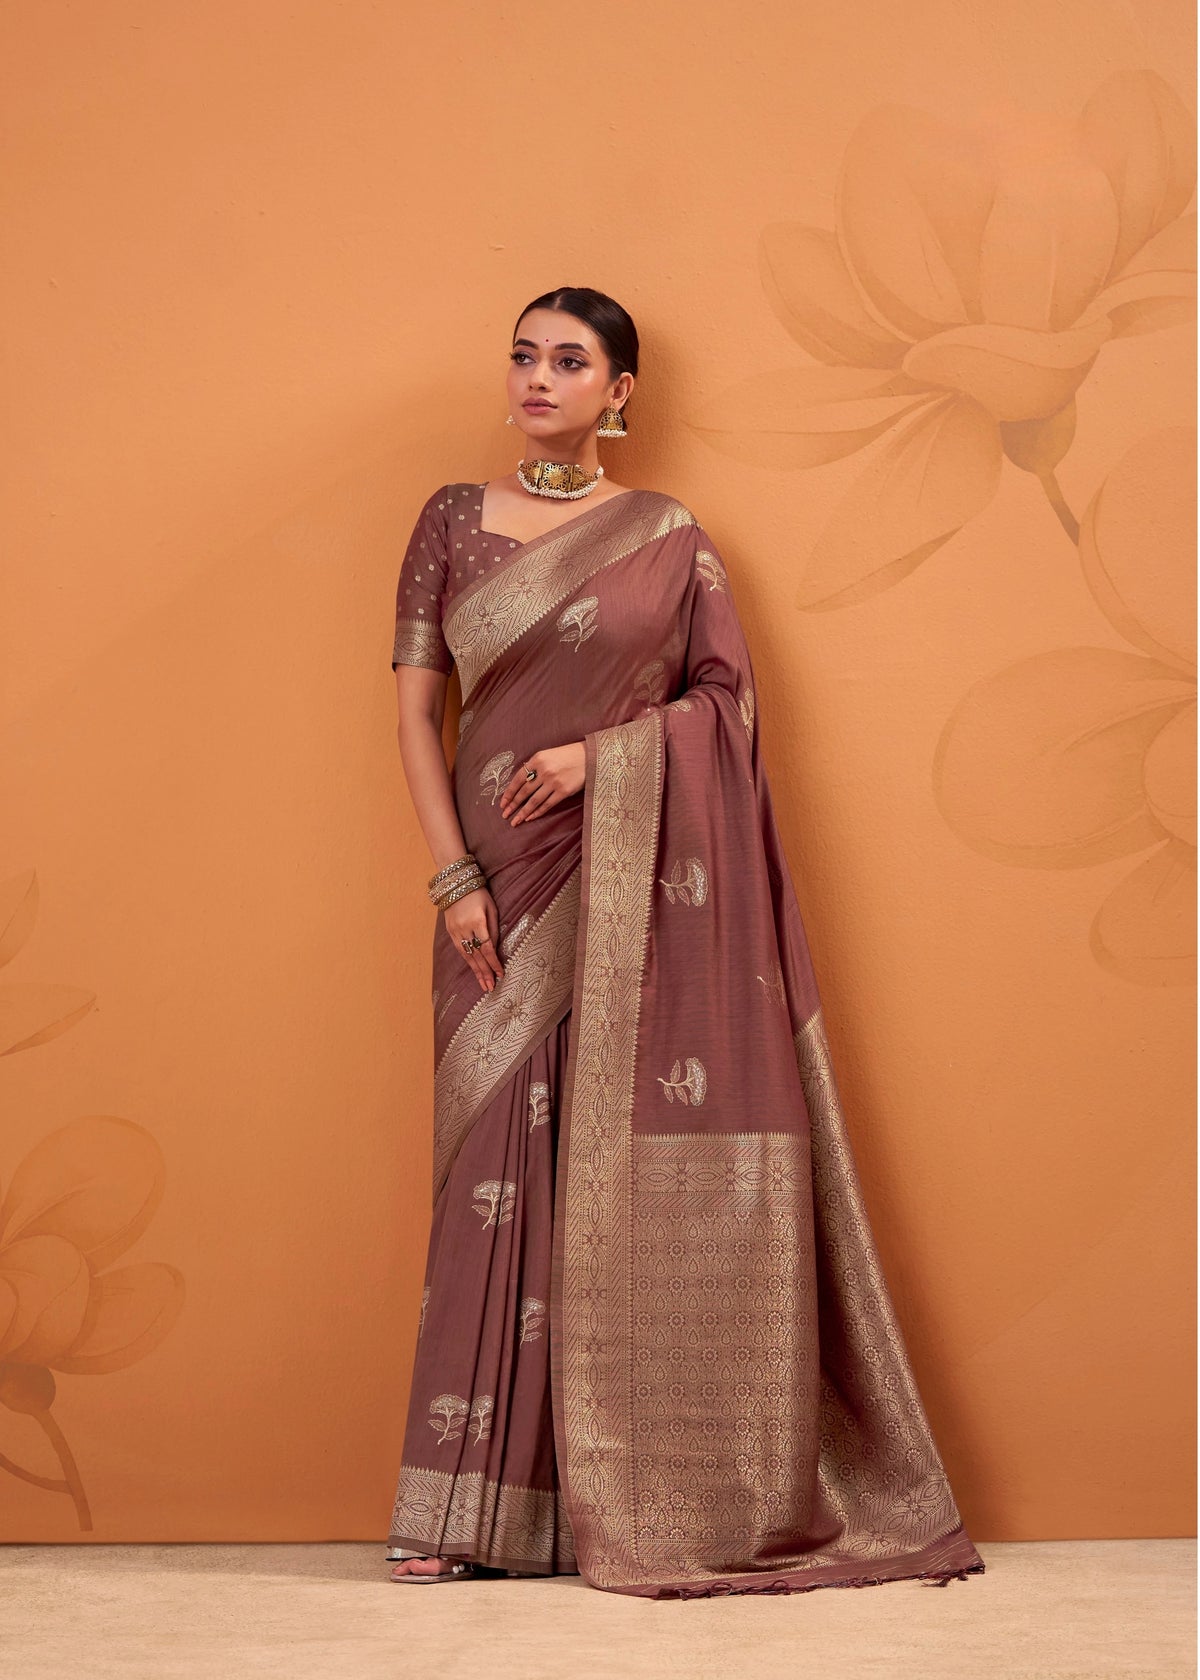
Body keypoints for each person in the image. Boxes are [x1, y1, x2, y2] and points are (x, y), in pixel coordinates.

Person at [384, 286, 985, 1598]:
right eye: (524, 355)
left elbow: (728, 709)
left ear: (620, 393)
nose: (538, 378)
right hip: (496, 889)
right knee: (492, 1169)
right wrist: (451, 876)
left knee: (598, 1175)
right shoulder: (450, 521)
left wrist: (596, 757)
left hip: (628, 888)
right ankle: (468, 1511)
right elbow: (418, 715)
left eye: (570, 361)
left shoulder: (668, 537)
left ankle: (605, 1501)